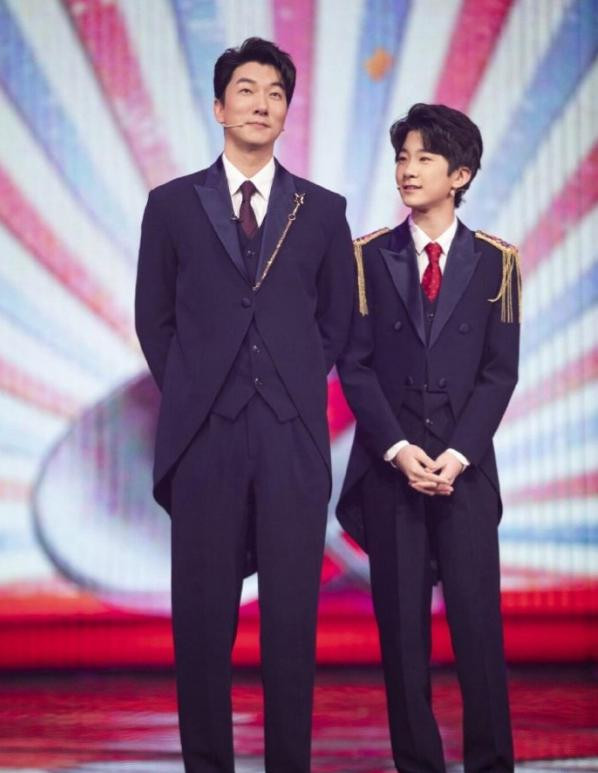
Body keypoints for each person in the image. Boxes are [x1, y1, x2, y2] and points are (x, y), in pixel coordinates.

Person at [135, 37, 354, 773]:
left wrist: (295, 382)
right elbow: (153, 318)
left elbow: (336, 320)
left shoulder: (322, 211)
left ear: (286, 112)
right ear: (219, 106)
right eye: (248, 90)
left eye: (276, 94)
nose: (262, 104)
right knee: (202, 623)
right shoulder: (171, 206)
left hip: (292, 438)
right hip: (205, 439)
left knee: (292, 622)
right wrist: (196, 391)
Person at [337, 103, 521, 772]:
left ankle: (491, 763)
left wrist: (459, 453)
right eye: (402, 158)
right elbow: (354, 365)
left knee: (478, 632)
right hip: (393, 470)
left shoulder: (497, 262)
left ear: (460, 174)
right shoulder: (367, 258)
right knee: (402, 639)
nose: (408, 170)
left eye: (424, 158)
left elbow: (500, 372)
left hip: (463, 471)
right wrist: (396, 448)